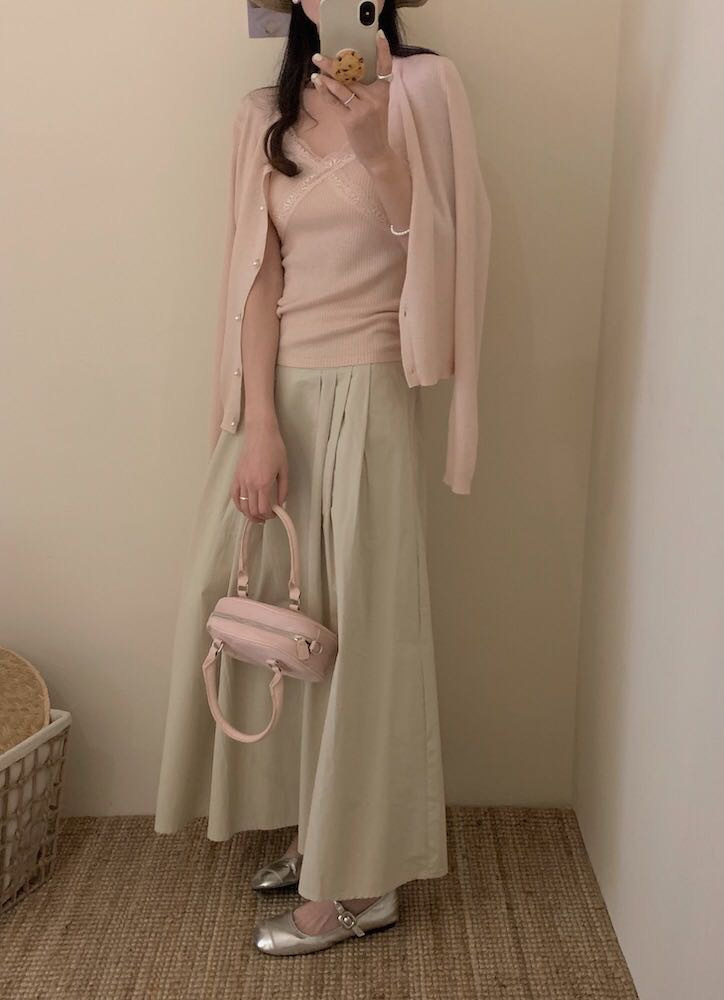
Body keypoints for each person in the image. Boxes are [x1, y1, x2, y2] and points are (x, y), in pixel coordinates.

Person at [154, 0, 491, 957]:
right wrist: (260, 424)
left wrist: (381, 153)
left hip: (374, 390)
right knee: (273, 619)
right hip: (280, 400)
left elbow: (449, 258)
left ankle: (362, 884)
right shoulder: (259, 115)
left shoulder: (426, 89)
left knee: (366, 633)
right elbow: (255, 281)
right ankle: (323, 830)